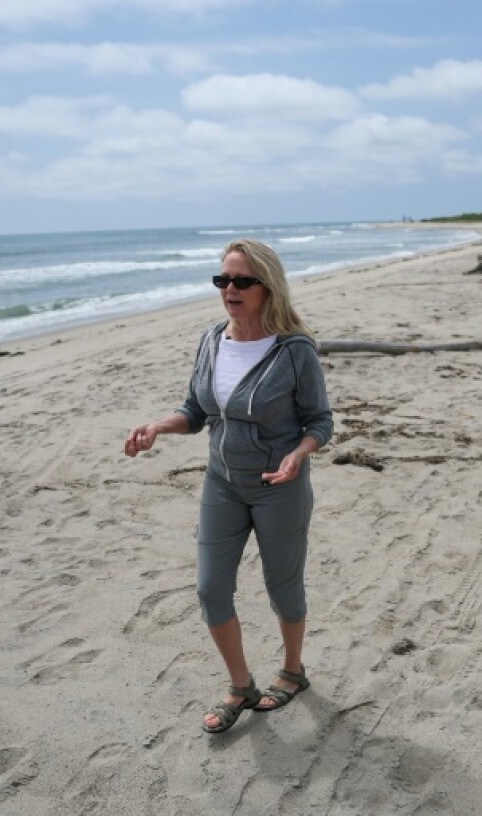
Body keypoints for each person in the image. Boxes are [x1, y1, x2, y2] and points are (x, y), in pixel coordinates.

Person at [124, 239, 333, 734]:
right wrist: (158, 427)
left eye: (241, 281)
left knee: (282, 585)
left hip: (279, 486)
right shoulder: (212, 340)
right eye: (222, 280)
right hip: (222, 483)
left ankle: (293, 671)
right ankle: (241, 686)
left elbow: (320, 422)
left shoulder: (294, 350)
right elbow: (195, 411)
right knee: (210, 587)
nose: (229, 290)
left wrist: (298, 455)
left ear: (267, 287)